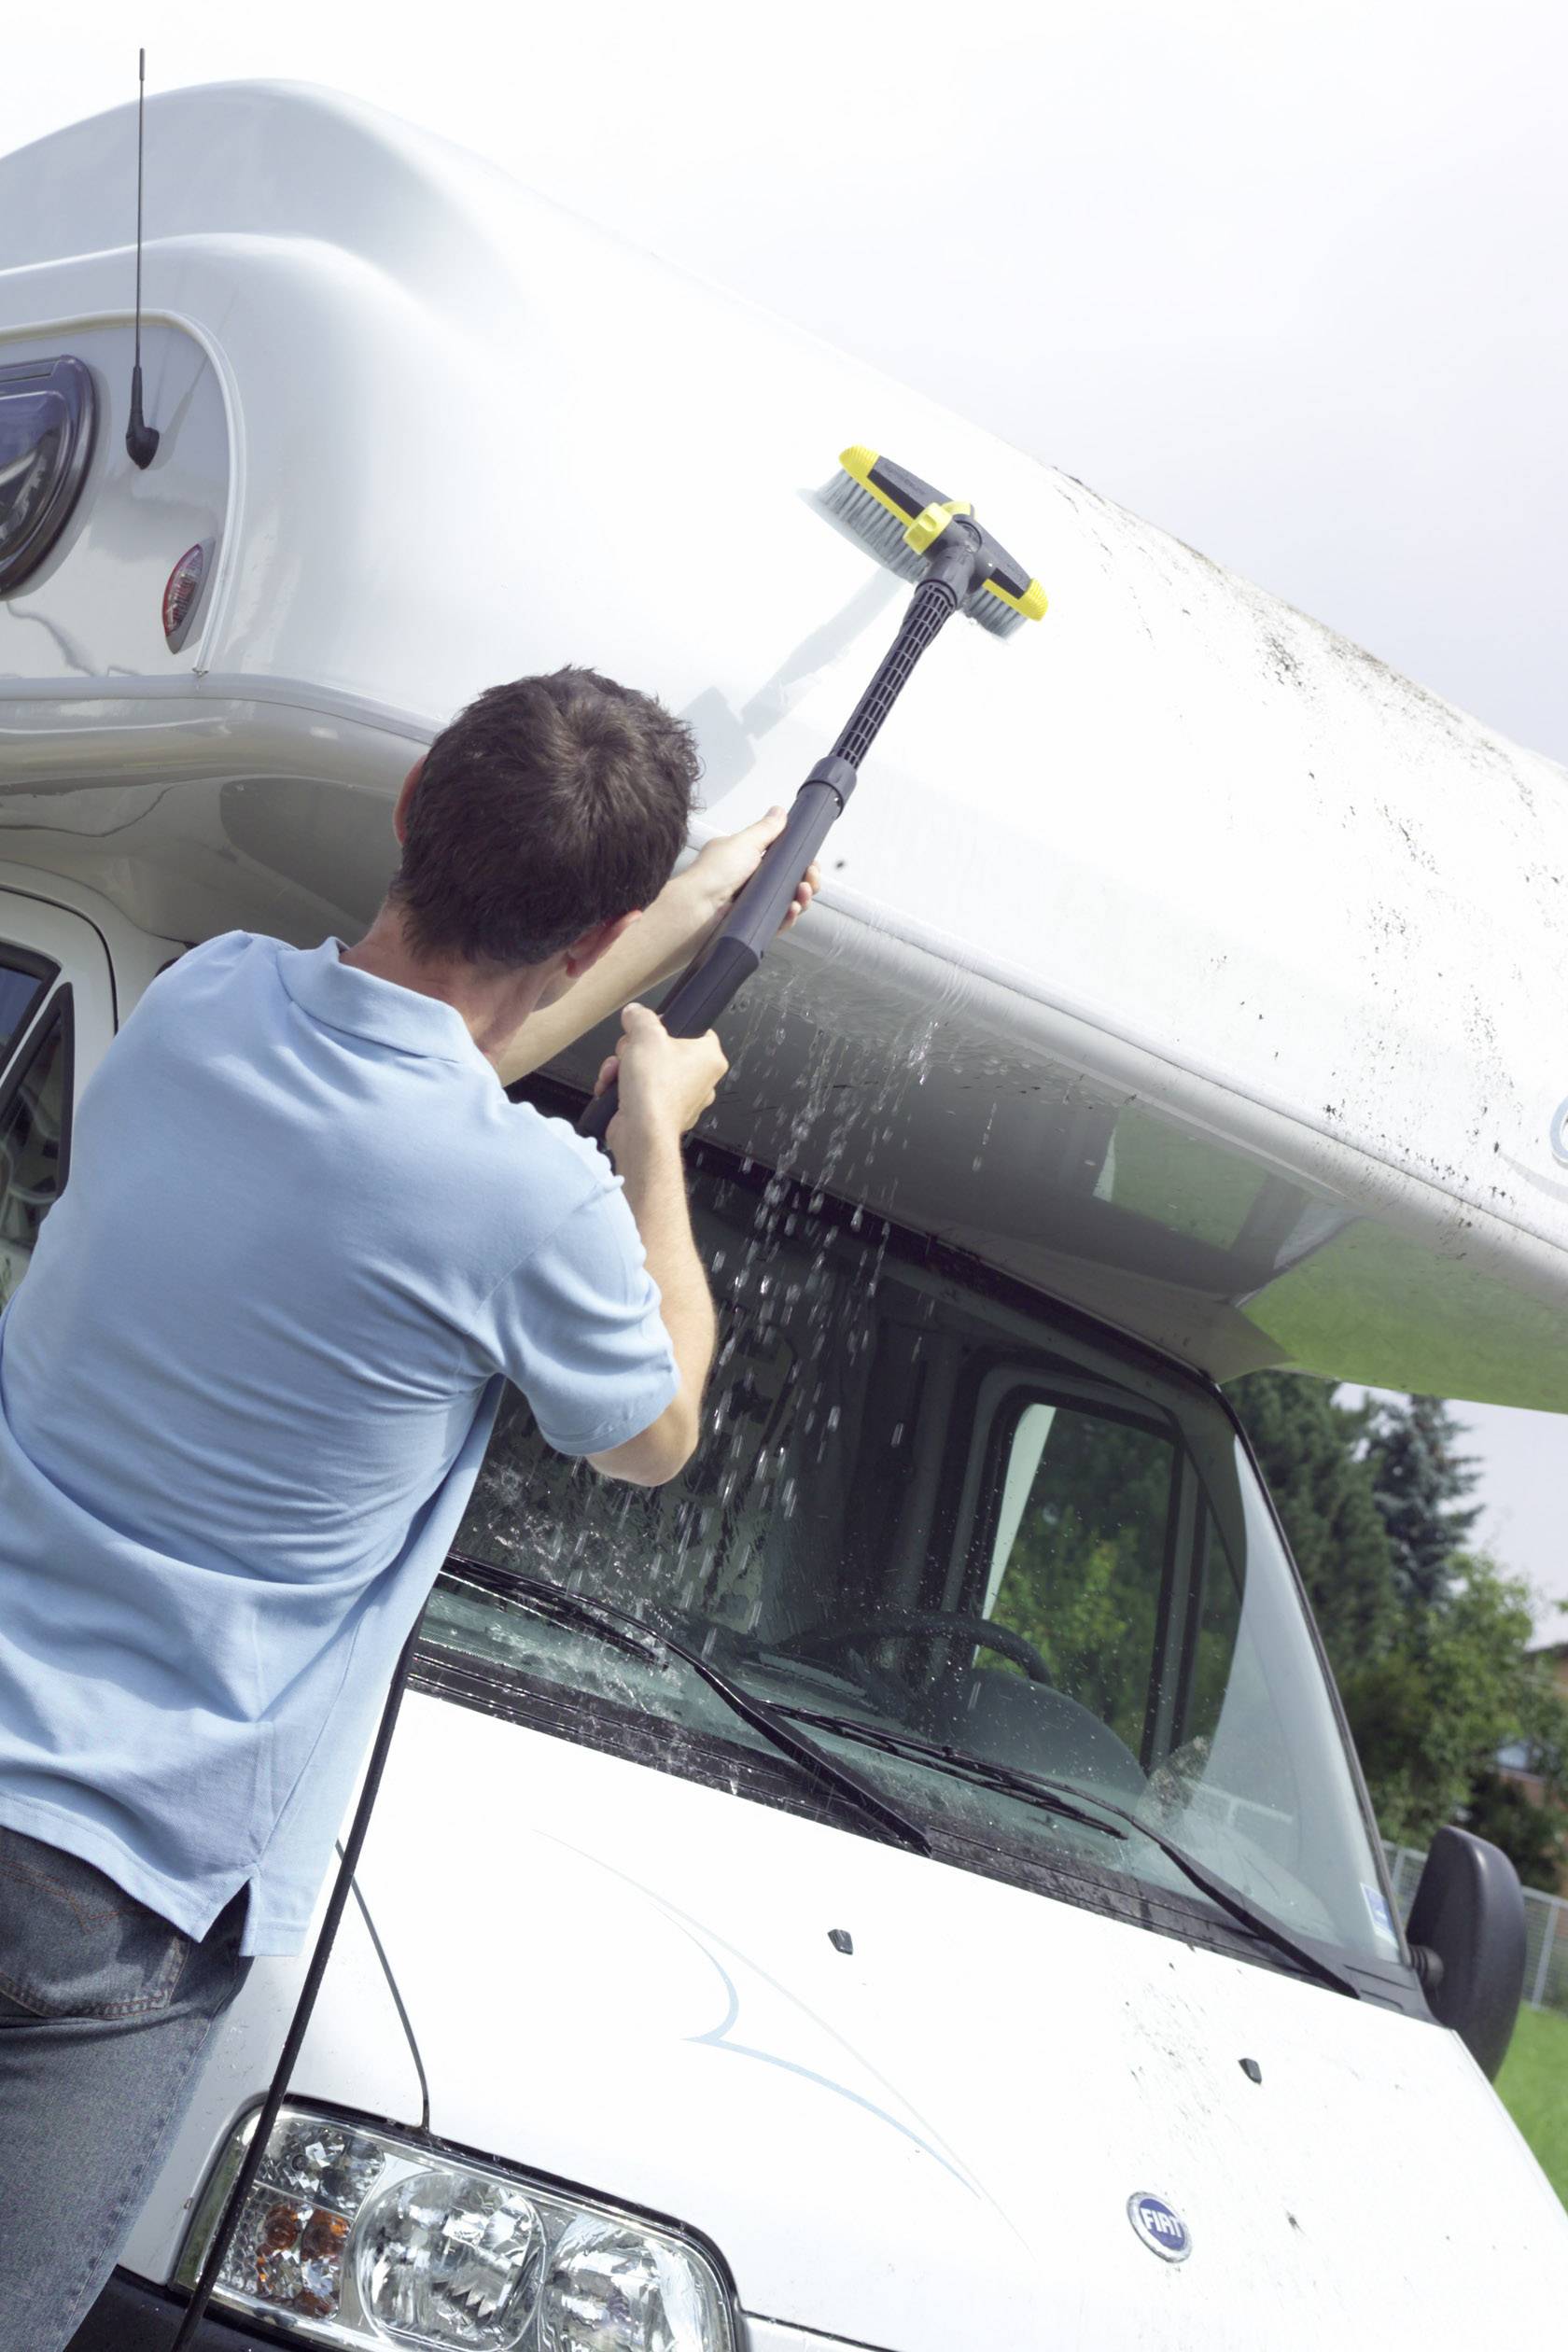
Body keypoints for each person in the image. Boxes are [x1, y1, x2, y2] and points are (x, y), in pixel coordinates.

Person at [0, 665, 819, 2351]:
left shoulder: (208, 1000)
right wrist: (654, 1138)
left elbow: (433, 1062)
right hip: (109, 1890)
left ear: (409, 803)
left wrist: (703, 897)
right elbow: (658, 1428)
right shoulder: (534, 1204)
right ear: (594, 937)